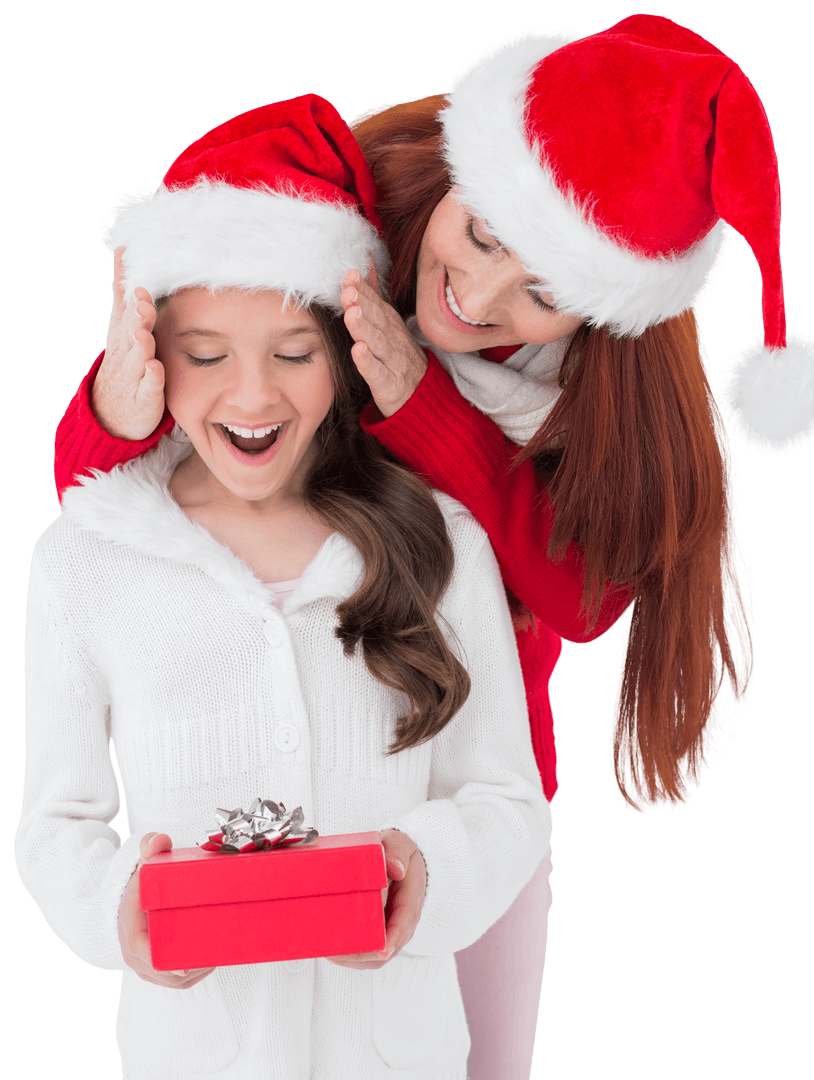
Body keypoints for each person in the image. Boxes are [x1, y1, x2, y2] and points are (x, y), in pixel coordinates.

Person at [46, 13, 814, 1080]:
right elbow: (108, 500)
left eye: (544, 294)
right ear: (458, 171)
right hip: (241, 764)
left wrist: (425, 410)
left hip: (464, 765)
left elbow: (583, 599)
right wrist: (114, 405)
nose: (479, 298)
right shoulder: (336, 222)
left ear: (601, 309)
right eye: (484, 237)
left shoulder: (604, 390)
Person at [16, 95, 551, 1079]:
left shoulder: (441, 541)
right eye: (206, 355)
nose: (253, 396)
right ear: (150, 359)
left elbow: (505, 799)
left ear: (343, 359)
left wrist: (425, 871)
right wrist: (120, 907)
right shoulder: (86, 558)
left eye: (293, 355)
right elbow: (57, 823)